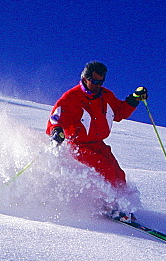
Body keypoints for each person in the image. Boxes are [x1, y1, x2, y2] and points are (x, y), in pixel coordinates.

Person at [46, 62, 147, 198]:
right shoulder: (71, 98)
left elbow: (119, 112)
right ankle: (109, 205)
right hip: (79, 146)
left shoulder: (105, 95)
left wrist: (134, 99)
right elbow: (54, 119)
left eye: (101, 82)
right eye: (94, 81)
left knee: (118, 174)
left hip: (99, 144)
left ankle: (124, 205)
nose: (97, 85)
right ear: (85, 78)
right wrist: (56, 131)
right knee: (107, 170)